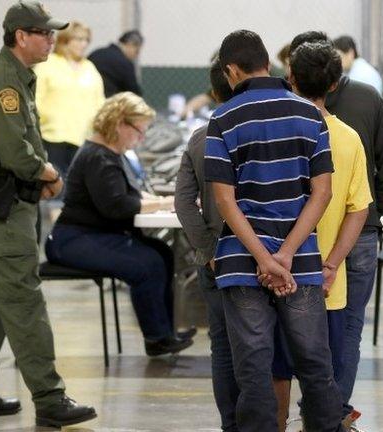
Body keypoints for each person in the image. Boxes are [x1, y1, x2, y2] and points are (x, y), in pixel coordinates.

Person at [0, 1, 96, 428]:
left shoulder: (15, 76)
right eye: (45, 33)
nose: (52, 40)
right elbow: (17, 151)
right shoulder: (4, 82)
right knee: (22, 300)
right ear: (21, 36)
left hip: (3, 204)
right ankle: (50, 397)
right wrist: (48, 172)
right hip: (4, 205)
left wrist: (39, 173)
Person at [204, 29, 344, 432]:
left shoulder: (223, 118)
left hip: (241, 262)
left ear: (231, 70)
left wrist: (264, 259)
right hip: (298, 260)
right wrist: (285, 255)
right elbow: (322, 194)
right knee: (315, 363)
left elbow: (225, 202)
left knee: (253, 368)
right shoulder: (309, 114)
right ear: (268, 61)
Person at [288, 31, 383, 423]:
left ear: (293, 74)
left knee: (294, 326)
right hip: (359, 232)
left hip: (296, 241)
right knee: (348, 327)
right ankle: (330, 412)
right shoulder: (368, 99)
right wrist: (371, 217)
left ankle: (311, 407)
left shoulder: (286, 117)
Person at [267, 40, 372, 432]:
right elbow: (357, 209)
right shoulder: (347, 138)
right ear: (335, 85)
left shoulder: (276, 129)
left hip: (277, 271)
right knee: (321, 372)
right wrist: (331, 264)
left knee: (278, 369)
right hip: (328, 281)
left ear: (290, 76)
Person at [44, 92, 194, 357]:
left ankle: (165, 332)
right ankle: (156, 338)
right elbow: (119, 206)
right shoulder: (99, 158)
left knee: (161, 252)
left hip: (91, 235)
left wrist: (166, 200)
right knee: (146, 264)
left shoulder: (110, 154)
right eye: (139, 131)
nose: (141, 138)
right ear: (120, 125)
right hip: (72, 240)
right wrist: (164, 203)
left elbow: (130, 194)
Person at [174, 58, 239, 431]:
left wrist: (208, 249)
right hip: (262, 255)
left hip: (216, 259)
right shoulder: (260, 130)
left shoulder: (201, 138)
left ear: (213, 93)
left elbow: (183, 202)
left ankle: (230, 423)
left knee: (223, 346)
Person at [34, 20, 105, 188]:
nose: (84, 44)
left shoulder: (89, 67)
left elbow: (99, 101)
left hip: (83, 138)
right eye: (78, 39)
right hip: (52, 137)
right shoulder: (48, 64)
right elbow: (35, 98)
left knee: (77, 186)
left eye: (86, 40)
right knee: (54, 187)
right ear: (65, 41)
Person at [88, 30, 143, 97]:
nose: (136, 55)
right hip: (110, 102)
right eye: (137, 51)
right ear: (130, 45)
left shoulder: (96, 53)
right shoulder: (125, 63)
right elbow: (134, 92)